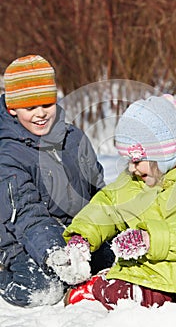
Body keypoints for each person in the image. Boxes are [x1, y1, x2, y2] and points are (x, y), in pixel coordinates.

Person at [62, 95, 176, 313]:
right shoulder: (133, 183)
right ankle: (97, 288)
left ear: (164, 155)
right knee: (127, 294)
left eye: (136, 161)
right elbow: (107, 207)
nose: (132, 169)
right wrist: (83, 236)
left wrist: (149, 239)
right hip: (148, 270)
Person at [0, 54, 114, 307]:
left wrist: (101, 230)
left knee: (111, 263)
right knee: (44, 289)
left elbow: (98, 192)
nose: (41, 114)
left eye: (47, 105)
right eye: (30, 108)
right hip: (19, 235)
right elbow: (26, 213)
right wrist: (55, 253)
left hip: (74, 232)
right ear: (12, 108)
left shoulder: (74, 139)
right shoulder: (8, 154)